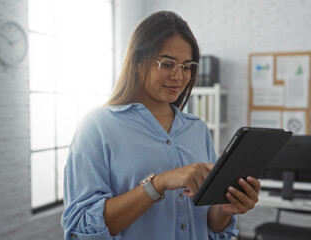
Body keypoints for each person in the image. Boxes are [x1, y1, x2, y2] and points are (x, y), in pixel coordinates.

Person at [61, 10, 261, 240]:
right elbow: (82, 227)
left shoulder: (197, 129)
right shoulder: (97, 126)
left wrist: (226, 209)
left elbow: (209, 223)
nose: (179, 76)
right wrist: (159, 183)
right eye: (168, 64)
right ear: (137, 63)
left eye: (187, 66)